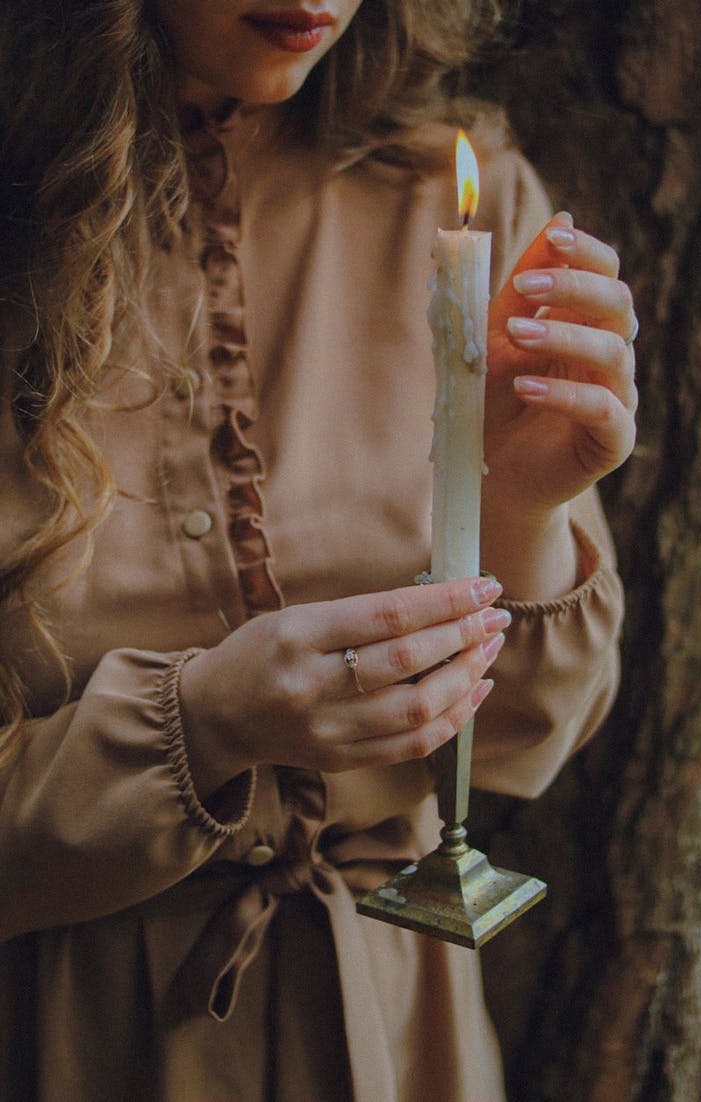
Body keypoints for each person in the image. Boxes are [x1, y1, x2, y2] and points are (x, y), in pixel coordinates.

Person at [0, 2, 637, 1099]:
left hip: (400, 1026)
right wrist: (201, 725)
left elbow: (529, 743)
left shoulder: (462, 191)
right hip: (64, 1036)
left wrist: (523, 509)